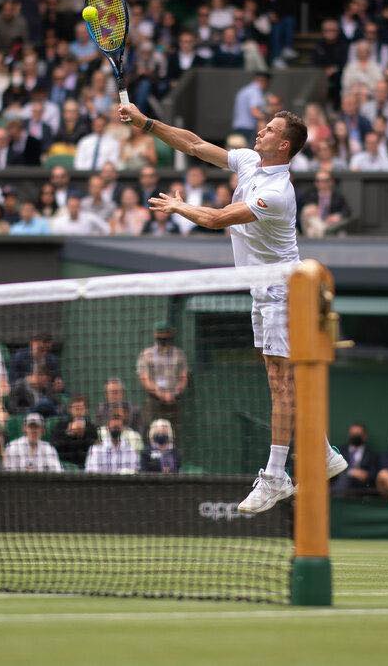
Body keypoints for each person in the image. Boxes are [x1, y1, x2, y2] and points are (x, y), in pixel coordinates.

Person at [116, 99, 347, 514]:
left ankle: (276, 476)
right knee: (283, 383)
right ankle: (324, 452)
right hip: (262, 291)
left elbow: (218, 218)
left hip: (285, 292)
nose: (261, 132)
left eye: (270, 130)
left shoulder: (278, 193)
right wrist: (147, 123)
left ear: (285, 146)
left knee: (280, 385)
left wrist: (178, 206)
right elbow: (195, 145)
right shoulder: (248, 161)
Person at [135, 322, 188, 432]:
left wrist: (173, 393)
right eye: (160, 335)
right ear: (155, 335)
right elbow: (144, 378)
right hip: (154, 400)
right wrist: (160, 393)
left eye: (165, 335)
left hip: (173, 401)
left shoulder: (179, 354)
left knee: (173, 432)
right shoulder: (146, 354)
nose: (163, 338)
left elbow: (183, 378)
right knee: (151, 429)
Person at [85, 406, 140, 474]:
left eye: (118, 425)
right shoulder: (96, 450)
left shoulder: (130, 451)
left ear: (123, 427)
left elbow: (134, 474)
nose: (116, 424)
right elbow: (92, 475)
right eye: (113, 425)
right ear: (107, 427)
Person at [329, 423, 379, 497]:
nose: (355, 436)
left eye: (358, 434)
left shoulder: (371, 454)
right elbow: (333, 468)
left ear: (365, 436)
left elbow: (374, 473)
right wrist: (350, 472)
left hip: (362, 487)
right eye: (353, 434)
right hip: (341, 484)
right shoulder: (339, 451)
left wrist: (366, 475)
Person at [51, 395, 100, 468]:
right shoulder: (61, 426)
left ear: (86, 410)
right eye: (76, 408)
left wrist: (82, 435)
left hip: (86, 465)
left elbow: (94, 448)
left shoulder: (92, 428)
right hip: (65, 465)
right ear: (70, 410)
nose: (78, 411)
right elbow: (54, 446)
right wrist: (69, 434)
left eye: (81, 408)